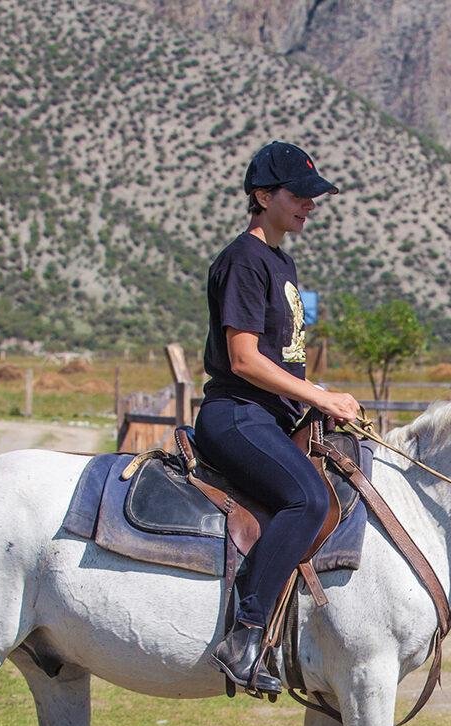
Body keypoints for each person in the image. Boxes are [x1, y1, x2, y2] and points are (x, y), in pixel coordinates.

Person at [195, 141, 361, 694]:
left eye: (315, 197)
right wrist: (318, 396)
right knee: (309, 500)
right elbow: (243, 359)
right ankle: (243, 635)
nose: (310, 205)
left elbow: (280, 356)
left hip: (268, 417)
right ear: (263, 196)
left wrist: (319, 399)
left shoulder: (281, 261)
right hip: (237, 414)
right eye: (299, 195)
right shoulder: (243, 260)